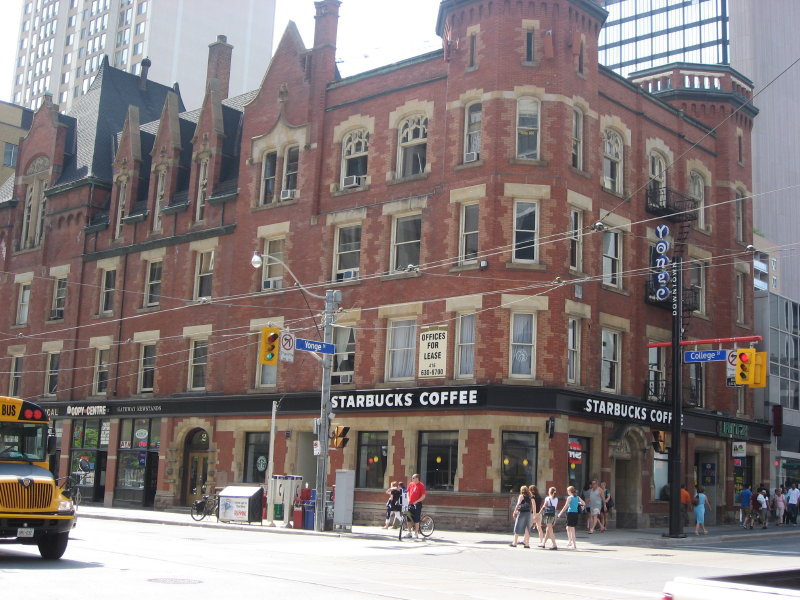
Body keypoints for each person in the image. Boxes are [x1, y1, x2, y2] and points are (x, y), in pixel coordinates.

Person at [558, 485, 585, 550]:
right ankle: (570, 541)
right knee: (568, 527)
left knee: (572, 529)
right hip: (575, 514)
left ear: (570, 491)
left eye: (568, 491)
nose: (567, 492)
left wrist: (560, 513)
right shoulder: (577, 497)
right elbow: (583, 503)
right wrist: (578, 503)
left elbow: (565, 506)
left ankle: (574, 544)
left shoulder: (569, 498)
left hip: (570, 513)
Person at [405, 473, 426, 539]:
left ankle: (416, 533)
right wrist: (408, 499)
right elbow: (408, 492)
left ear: (417, 478)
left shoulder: (421, 485)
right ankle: (409, 532)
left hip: (417, 504)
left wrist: (417, 501)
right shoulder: (411, 484)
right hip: (410, 503)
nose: (412, 479)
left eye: (413, 478)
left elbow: (423, 496)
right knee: (408, 518)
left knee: (417, 519)